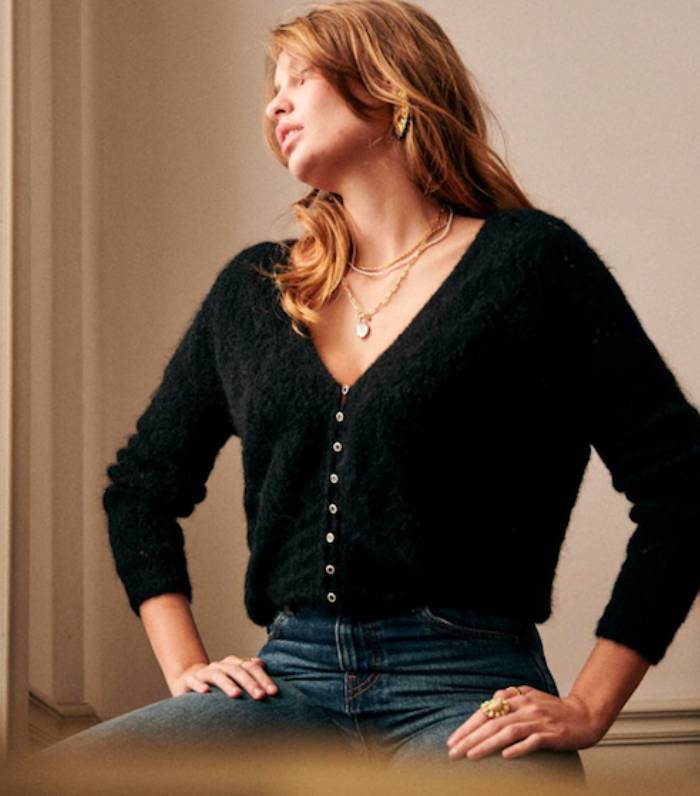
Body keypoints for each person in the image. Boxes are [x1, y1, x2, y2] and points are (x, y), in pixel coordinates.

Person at [33, 0, 699, 781]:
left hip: (470, 693)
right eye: (271, 89)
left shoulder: (534, 266)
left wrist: (591, 705)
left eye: (299, 78)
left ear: (386, 84)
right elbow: (141, 487)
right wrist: (187, 668)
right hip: (287, 684)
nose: (274, 105)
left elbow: (682, 482)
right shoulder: (254, 292)